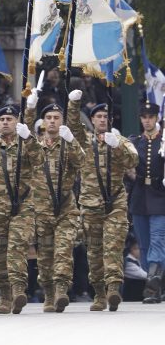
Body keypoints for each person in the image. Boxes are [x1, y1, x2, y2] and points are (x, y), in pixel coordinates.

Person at [0, 85, 42, 314]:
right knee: (0, 254)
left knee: (17, 248)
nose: (5, 122)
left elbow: (40, 159)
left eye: (9, 119)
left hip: (22, 207)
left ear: (17, 122)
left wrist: (29, 138)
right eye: (1, 119)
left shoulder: (26, 143)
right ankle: (4, 295)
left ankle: (18, 289)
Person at [75, 100, 138, 311]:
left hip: (115, 204)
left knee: (113, 246)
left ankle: (113, 288)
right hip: (90, 205)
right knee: (94, 251)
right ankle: (99, 293)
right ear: (92, 120)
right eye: (98, 117)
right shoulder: (84, 140)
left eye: (105, 117)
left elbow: (133, 160)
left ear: (110, 120)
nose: (102, 120)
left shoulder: (119, 140)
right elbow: (73, 125)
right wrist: (73, 104)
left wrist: (117, 146)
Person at [24, 92, 84, 312]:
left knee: (63, 250)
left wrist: (72, 140)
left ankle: (61, 290)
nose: (52, 121)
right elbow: (24, 135)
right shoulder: (35, 147)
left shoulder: (68, 144)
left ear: (62, 122)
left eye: (56, 118)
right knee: (45, 256)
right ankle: (49, 293)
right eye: (48, 118)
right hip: (42, 210)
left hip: (66, 209)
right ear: (43, 122)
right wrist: (30, 109)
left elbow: (82, 161)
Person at [129, 101, 165, 303]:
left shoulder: (163, 141)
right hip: (140, 196)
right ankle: (158, 285)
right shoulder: (135, 142)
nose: (147, 121)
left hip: (160, 195)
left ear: (156, 118)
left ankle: (152, 286)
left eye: (151, 117)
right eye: (144, 117)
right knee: (144, 245)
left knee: (158, 239)